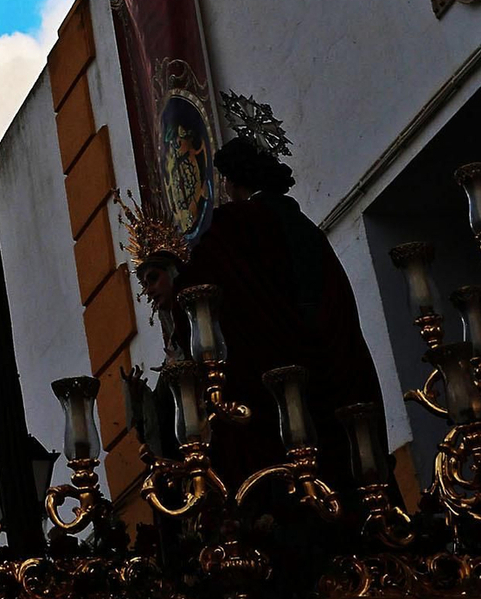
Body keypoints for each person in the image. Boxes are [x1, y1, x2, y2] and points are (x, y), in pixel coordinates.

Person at [138, 96, 383, 492]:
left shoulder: (232, 226)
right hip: (337, 368)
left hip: (278, 383)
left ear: (232, 182)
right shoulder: (306, 228)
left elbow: (204, 294)